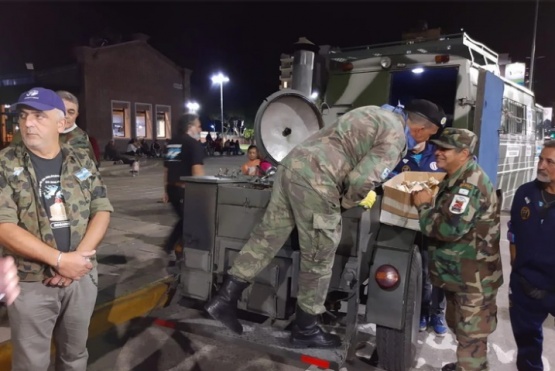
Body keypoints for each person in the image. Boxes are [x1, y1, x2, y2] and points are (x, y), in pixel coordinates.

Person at [205, 99, 444, 348]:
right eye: (429, 133)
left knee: (267, 238)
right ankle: (306, 329)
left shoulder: (374, 111)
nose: (424, 140)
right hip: (318, 180)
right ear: (420, 128)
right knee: (319, 256)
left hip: (291, 167)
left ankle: (224, 299)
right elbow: (361, 180)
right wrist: (345, 204)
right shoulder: (396, 137)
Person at [0, 87, 113, 371]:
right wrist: (61, 261)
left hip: (81, 278)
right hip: (31, 282)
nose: (27, 123)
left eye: (39, 116)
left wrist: (79, 259)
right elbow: (4, 226)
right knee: (30, 363)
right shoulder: (4, 164)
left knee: (74, 357)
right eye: (24, 116)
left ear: (62, 124)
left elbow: (102, 209)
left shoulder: (81, 161)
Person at [412, 128, 502, 371]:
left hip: (473, 281)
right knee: (462, 330)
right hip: (460, 275)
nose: (437, 153)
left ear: (463, 153)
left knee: (471, 339)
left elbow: (447, 229)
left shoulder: (469, 186)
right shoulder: (457, 177)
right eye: (438, 147)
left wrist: (422, 206)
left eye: (444, 149)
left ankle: (470, 367)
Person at [382, 101, 448, 336]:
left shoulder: (437, 155)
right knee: (417, 273)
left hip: (433, 225)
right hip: (404, 224)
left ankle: (437, 314)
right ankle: (421, 312)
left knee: (436, 273)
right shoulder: (398, 153)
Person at [507, 140, 555, 371]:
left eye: (549, 162)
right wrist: (517, 268)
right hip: (526, 287)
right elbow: (513, 231)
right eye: (540, 159)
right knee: (527, 348)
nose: (541, 166)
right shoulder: (525, 192)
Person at [11, 91, 99, 169]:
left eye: (71, 112)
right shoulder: (26, 132)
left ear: (77, 115)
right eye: (62, 111)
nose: (66, 116)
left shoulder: (79, 138)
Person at [162, 113, 205, 254]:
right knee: (190, 219)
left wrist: (165, 190)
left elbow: (168, 167)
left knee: (185, 219)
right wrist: (202, 193)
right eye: (198, 126)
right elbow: (197, 169)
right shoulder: (194, 144)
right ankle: (178, 247)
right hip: (185, 190)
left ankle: (171, 245)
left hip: (172, 188)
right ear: (190, 127)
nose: (200, 129)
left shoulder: (173, 142)